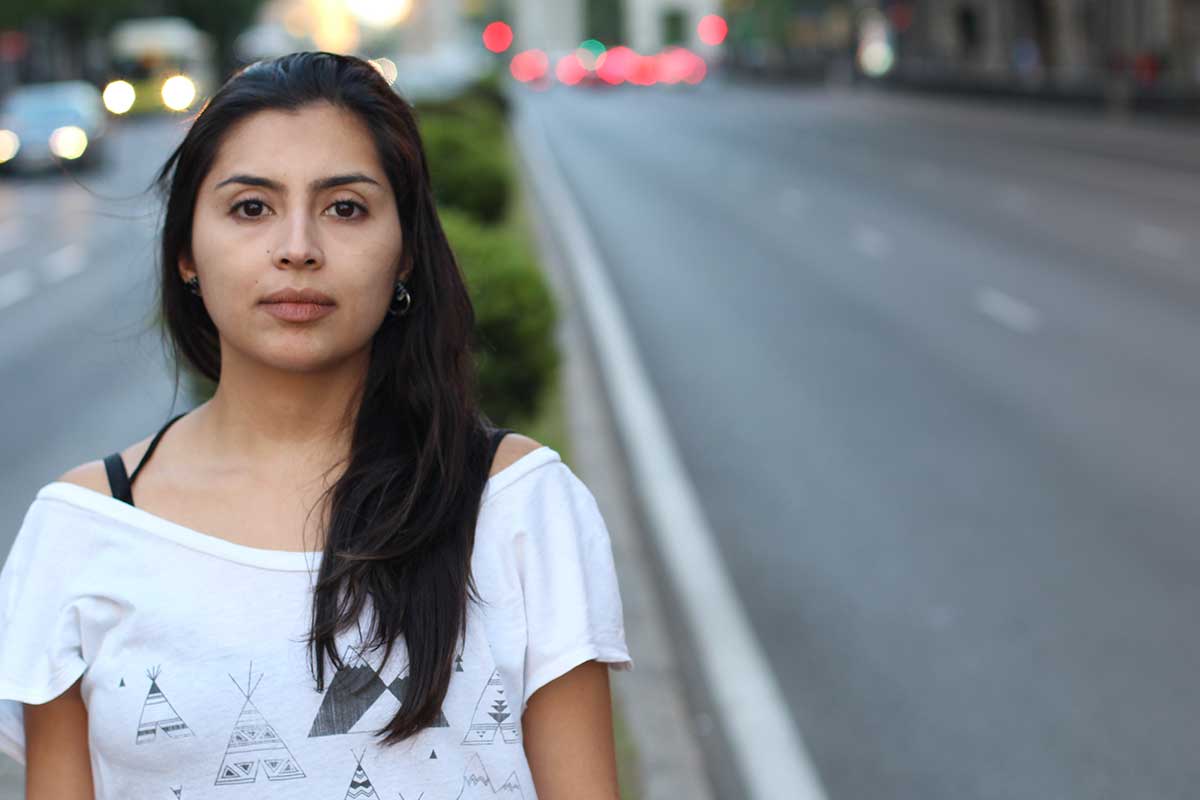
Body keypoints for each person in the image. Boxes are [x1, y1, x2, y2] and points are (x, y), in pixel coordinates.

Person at [0, 51, 633, 799]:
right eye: (251, 208)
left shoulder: (519, 504)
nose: (297, 247)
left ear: (404, 254)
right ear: (185, 254)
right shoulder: (84, 528)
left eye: (345, 208)